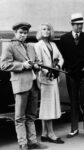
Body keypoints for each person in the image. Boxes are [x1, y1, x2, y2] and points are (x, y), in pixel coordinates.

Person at [0, 22, 47, 150]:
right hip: (20, 85)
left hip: (33, 84)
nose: (23, 35)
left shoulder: (30, 47)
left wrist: (36, 65)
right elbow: (4, 65)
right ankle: (23, 144)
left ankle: (32, 142)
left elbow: (37, 61)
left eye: (25, 33)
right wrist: (22, 65)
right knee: (20, 117)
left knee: (31, 115)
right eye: (21, 32)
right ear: (15, 33)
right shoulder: (9, 46)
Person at [60, 13, 84, 140]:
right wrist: (63, 68)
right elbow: (61, 57)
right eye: (77, 24)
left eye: (81, 24)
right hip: (71, 75)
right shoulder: (64, 39)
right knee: (73, 103)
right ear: (72, 24)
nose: (80, 26)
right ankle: (74, 129)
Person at [34, 23, 64, 144]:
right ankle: (51, 133)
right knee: (47, 106)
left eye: (48, 29)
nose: (46, 31)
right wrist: (49, 72)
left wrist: (57, 66)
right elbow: (39, 62)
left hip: (54, 77)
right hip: (45, 78)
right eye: (44, 29)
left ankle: (44, 134)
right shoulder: (38, 45)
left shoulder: (53, 44)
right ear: (40, 31)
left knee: (48, 105)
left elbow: (60, 58)